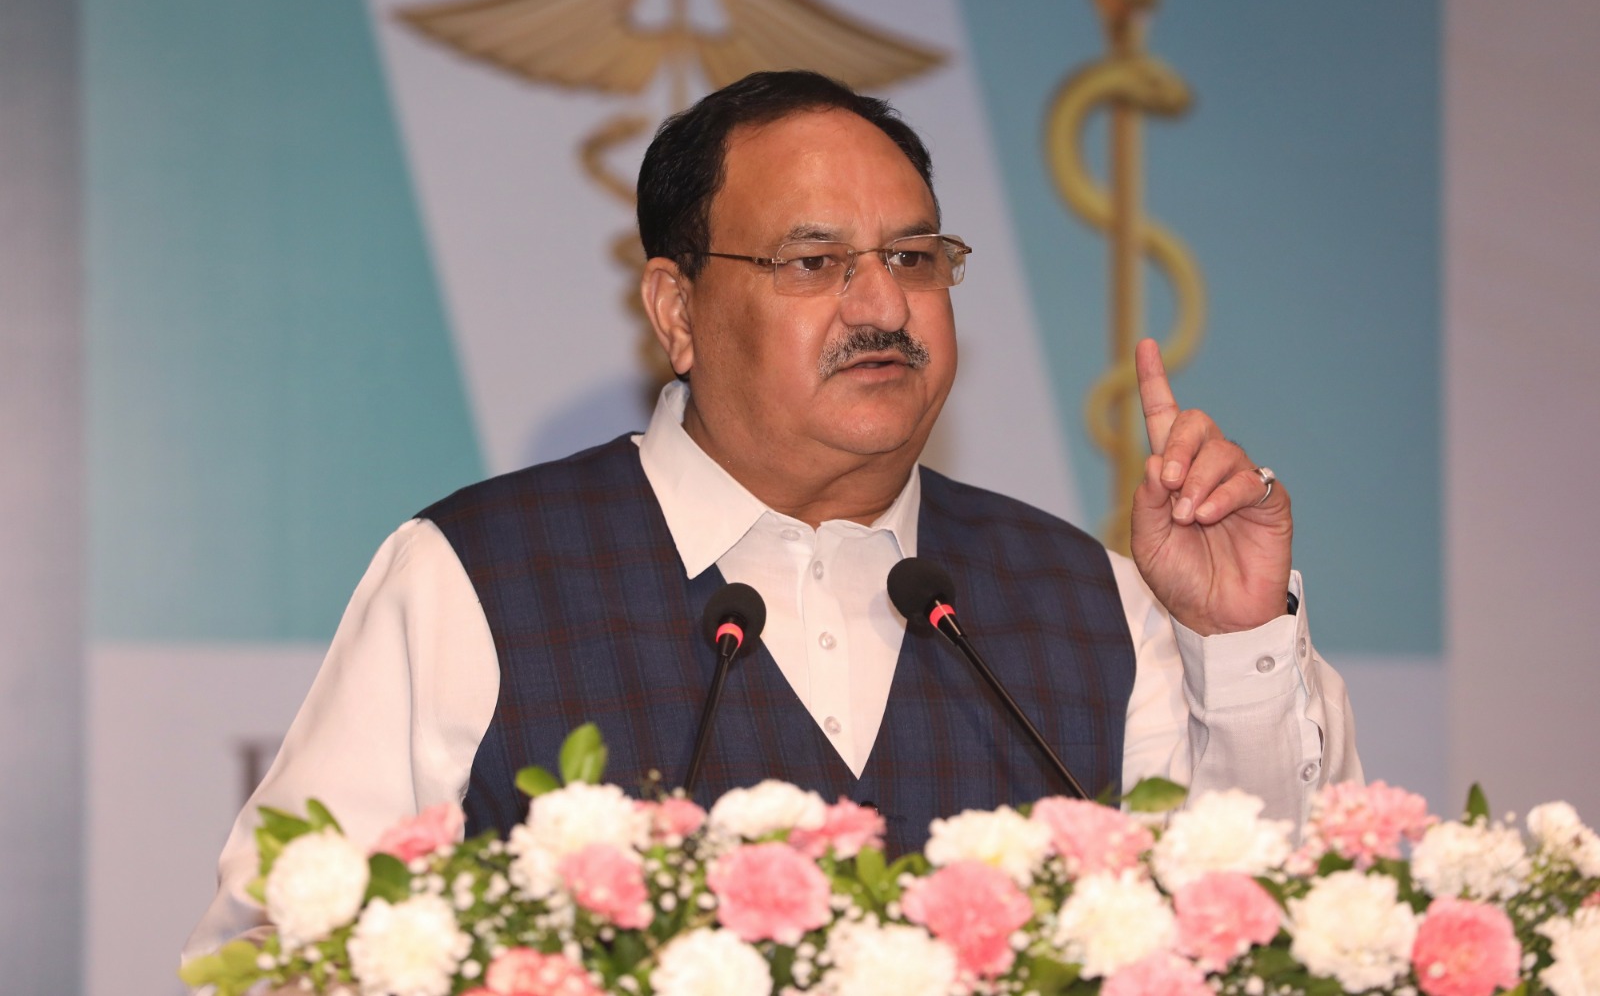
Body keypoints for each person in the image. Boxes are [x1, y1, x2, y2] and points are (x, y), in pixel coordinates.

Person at [185, 70, 1359, 956]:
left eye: (912, 255)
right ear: (676, 308)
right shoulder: (476, 574)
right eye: (812, 263)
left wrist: (1236, 637)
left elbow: (1259, 932)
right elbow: (279, 941)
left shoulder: (1081, 594)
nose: (880, 303)